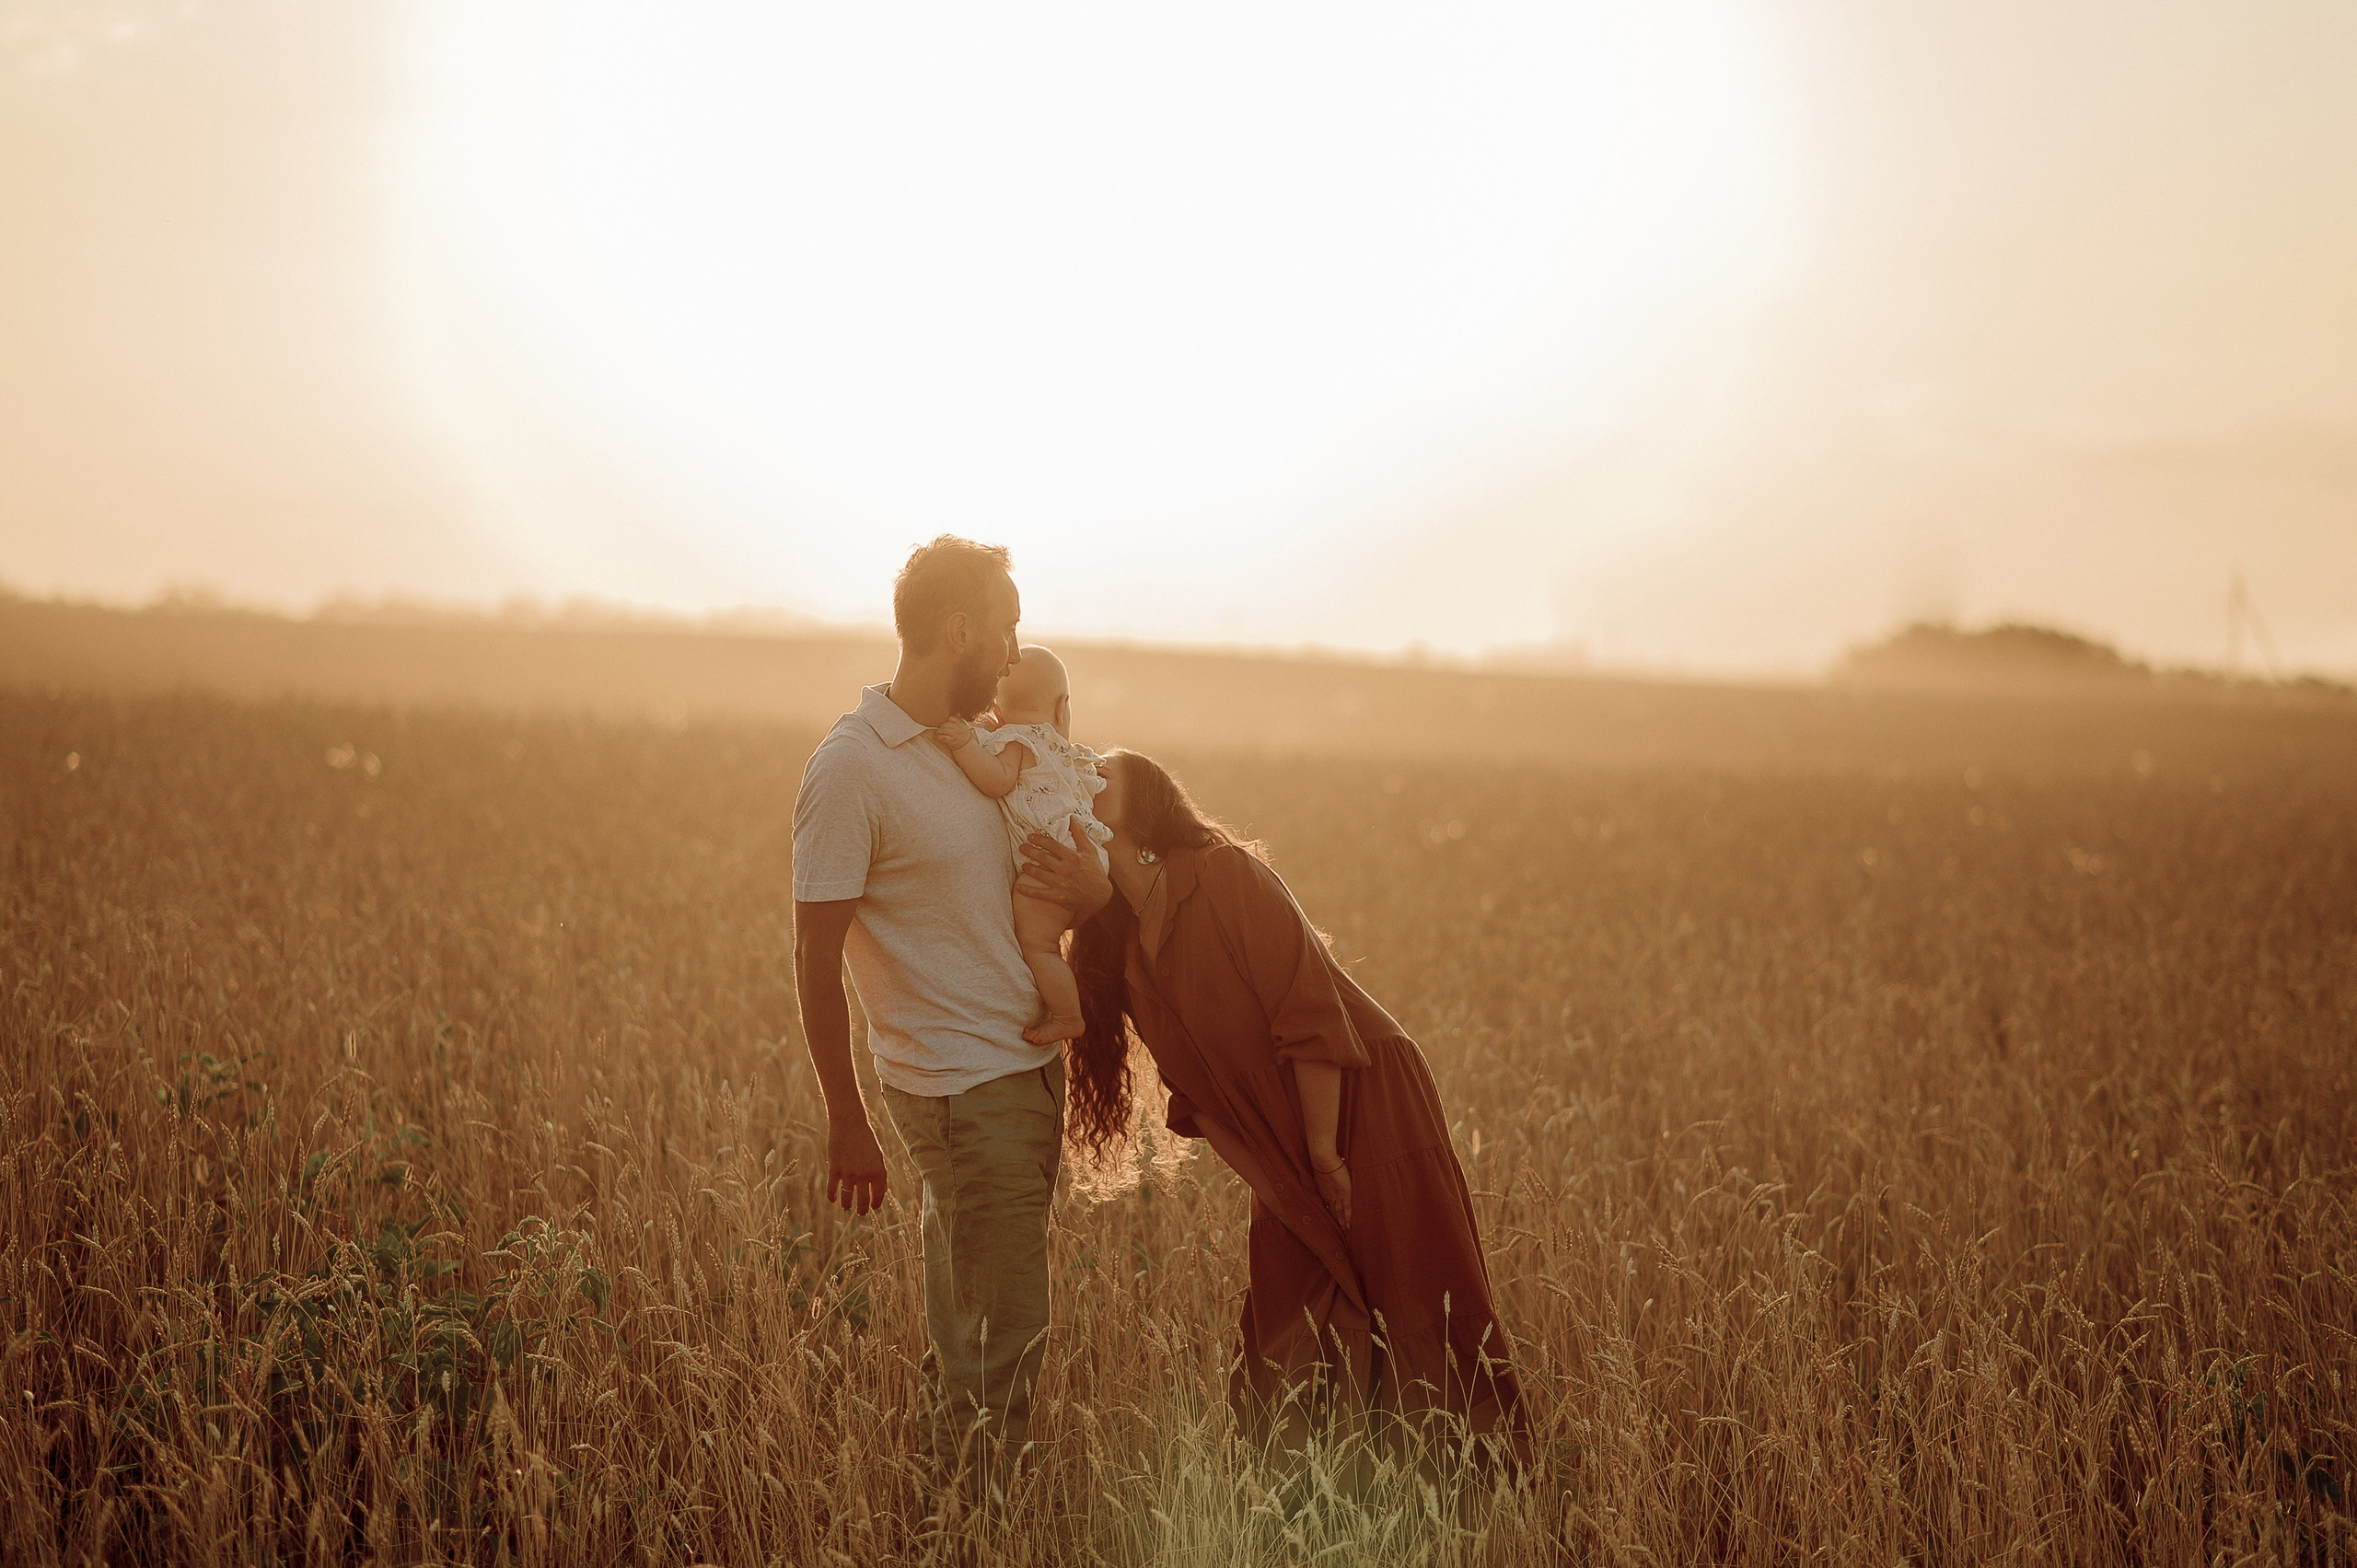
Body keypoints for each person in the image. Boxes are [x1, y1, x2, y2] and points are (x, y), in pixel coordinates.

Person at [1067, 749, 1527, 1468]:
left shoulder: (1223, 874)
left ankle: (1485, 1486)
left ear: (1147, 804)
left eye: (1104, 765)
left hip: (1362, 1099)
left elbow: (1310, 1016)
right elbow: (1198, 1103)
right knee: (1290, 1328)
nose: (1084, 765)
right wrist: (1276, 1185)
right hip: (1279, 1147)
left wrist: (1323, 1156)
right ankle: (1328, 1499)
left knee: (1416, 1301)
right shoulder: (1122, 951)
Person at [791, 537, 1110, 1496]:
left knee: (981, 1326)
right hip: (962, 1089)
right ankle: (978, 1525)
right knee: (996, 1338)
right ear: (959, 630)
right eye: (1005, 631)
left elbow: (1042, 881)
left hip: (1011, 1078)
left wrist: (1091, 890)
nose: (1014, 654)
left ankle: (962, 1514)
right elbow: (813, 954)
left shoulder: (981, 754)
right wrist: (843, 1115)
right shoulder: (851, 768)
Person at [929, 645, 1114, 1047]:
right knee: (1047, 938)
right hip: (1084, 854)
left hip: (1051, 863)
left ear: (996, 713)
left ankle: (1068, 1016)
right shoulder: (1063, 750)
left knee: (1039, 946)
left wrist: (964, 745)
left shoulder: (1016, 740)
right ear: (1062, 709)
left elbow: (997, 780)